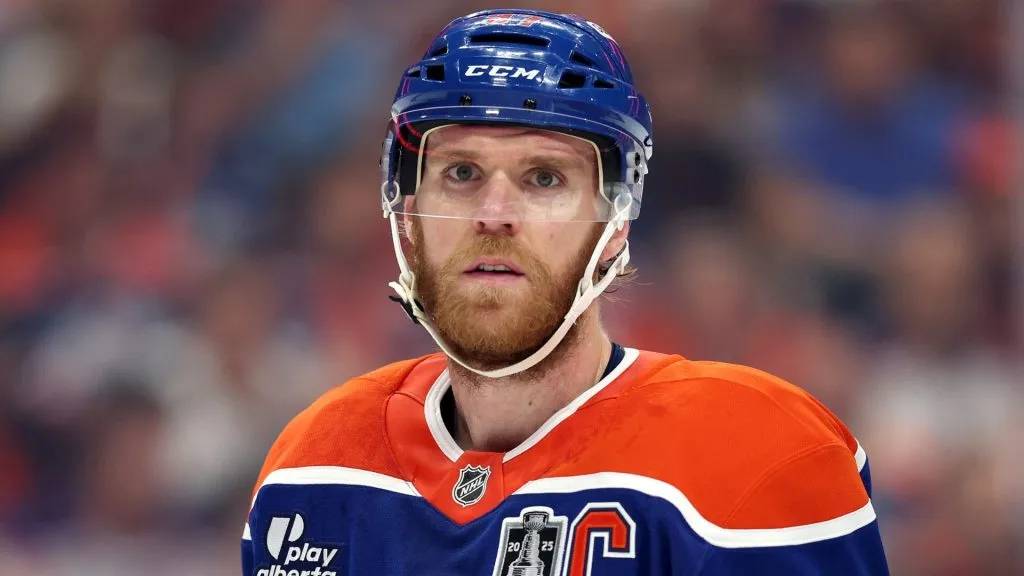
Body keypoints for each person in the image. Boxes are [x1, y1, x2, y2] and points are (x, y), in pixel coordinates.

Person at [241, 9, 889, 575]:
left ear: (615, 222)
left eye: (544, 177)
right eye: (461, 172)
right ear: (405, 209)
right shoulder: (316, 466)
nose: (494, 213)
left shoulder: (756, 455)